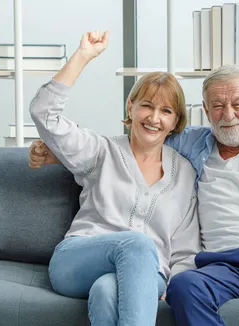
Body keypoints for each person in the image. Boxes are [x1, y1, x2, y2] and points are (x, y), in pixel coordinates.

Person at [30, 30, 239, 326]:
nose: (230, 114)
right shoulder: (186, 148)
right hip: (225, 262)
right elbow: (125, 144)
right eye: (218, 106)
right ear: (205, 112)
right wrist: (59, 152)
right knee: (175, 278)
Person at [28, 30, 200, 326]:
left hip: (150, 276)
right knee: (137, 243)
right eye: (146, 104)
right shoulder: (100, 151)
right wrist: (83, 56)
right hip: (77, 260)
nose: (154, 117)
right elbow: (44, 113)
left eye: (166, 110)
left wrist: (175, 285)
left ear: (175, 122)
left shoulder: (184, 172)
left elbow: (185, 248)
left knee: (107, 290)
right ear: (130, 106)